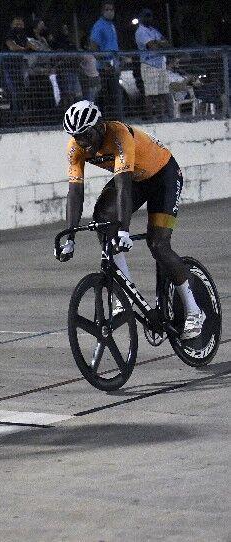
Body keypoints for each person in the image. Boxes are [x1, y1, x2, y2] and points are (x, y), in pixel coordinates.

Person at [56, 101, 204, 340]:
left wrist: (124, 231)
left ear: (100, 126)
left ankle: (194, 310)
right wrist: (69, 237)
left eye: (86, 135)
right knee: (103, 219)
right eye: (77, 137)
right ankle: (123, 292)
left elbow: (123, 186)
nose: (83, 142)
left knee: (158, 244)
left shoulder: (118, 135)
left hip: (163, 176)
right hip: (136, 179)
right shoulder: (75, 147)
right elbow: (75, 192)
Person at [135, 8, 171, 120]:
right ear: (141, 18)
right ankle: (150, 118)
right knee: (150, 93)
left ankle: (162, 115)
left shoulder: (153, 30)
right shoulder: (140, 31)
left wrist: (158, 43)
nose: (148, 18)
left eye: (149, 16)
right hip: (148, 64)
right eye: (146, 16)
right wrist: (160, 43)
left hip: (160, 63)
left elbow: (168, 44)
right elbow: (152, 46)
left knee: (163, 92)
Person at [89, 2, 120, 115]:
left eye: (112, 9)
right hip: (105, 67)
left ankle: (111, 117)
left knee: (113, 94)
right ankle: (104, 117)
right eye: (107, 9)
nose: (110, 12)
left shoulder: (111, 25)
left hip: (114, 65)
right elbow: (93, 46)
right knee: (108, 94)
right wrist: (104, 62)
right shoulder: (99, 25)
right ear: (102, 11)